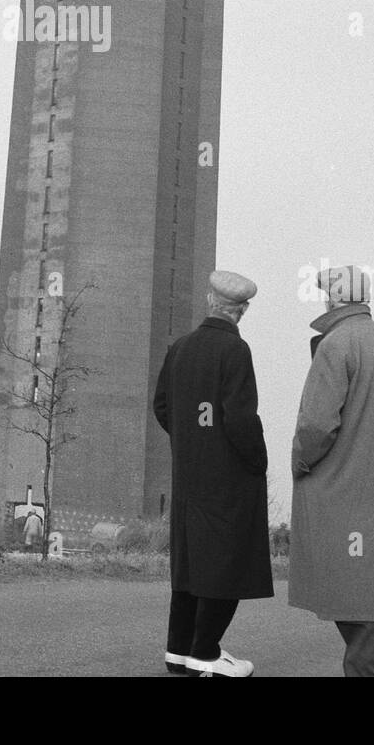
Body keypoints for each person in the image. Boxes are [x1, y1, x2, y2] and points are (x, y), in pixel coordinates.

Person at [289, 265, 374, 677]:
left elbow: (316, 426)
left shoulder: (335, 345)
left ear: (332, 299)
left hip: (340, 495)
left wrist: (301, 461)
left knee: (358, 602)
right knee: (364, 591)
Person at [153, 269, 273, 677]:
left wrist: (192, 441)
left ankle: (178, 650)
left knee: (190, 563)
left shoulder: (179, 349)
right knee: (226, 562)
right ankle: (205, 652)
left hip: (189, 476)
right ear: (242, 311)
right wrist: (259, 461)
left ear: (208, 300)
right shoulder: (236, 352)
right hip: (227, 478)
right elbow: (239, 418)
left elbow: (163, 408)